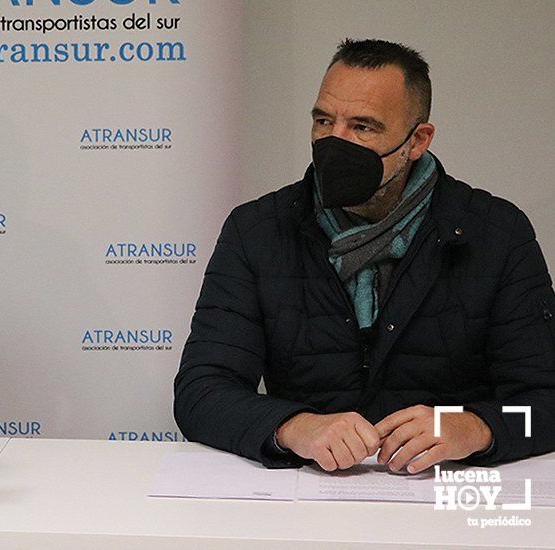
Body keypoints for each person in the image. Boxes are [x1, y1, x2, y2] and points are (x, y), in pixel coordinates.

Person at [175, 39, 555, 473]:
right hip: (307, 499)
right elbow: (201, 392)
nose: (334, 142)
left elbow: (544, 403)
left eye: (363, 127)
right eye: (323, 120)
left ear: (418, 140)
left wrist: (472, 428)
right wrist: (292, 427)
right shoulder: (258, 230)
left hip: (444, 502)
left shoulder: (497, 234)